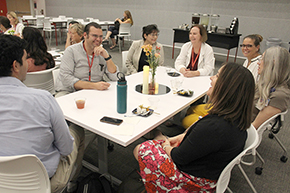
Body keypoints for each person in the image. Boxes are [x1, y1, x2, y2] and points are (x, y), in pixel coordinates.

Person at [133, 62, 255, 192]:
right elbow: (199, 139)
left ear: (227, 88)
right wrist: (179, 138)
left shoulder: (213, 127)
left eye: (217, 76)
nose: (211, 78)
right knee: (160, 139)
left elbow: (179, 157)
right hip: (209, 173)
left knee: (141, 148)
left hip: (192, 183)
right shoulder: (234, 119)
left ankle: (156, 179)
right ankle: (159, 138)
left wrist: (165, 146)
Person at [0, 34, 85, 193]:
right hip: (43, 183)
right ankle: (71, 184)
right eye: (25, 59)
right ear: (16, 66)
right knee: (77, 132)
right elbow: (66, 148)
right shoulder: (43, 98)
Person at [56, 22, 119, 96]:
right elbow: (66, 79)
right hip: (71, 91)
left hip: (94, 91)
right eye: (95, 36)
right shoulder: (71, 51)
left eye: (101, 36)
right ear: (85, 35)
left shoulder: (102, 53)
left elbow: (115, 77)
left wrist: (107, 57)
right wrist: (94, 86)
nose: (98, 39)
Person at [252, 46, 290, 129]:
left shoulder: (279, 95)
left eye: (262, 59)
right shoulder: (267, 84)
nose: (258, 63)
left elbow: (254, 127)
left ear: (273, 63)